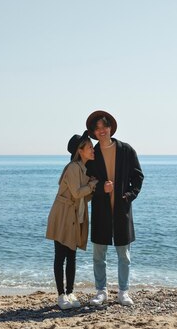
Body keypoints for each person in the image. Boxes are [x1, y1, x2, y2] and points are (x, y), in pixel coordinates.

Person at [85, 110, 144, 306]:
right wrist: (101, 188)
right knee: (98, 255)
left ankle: (123, 292)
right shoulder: (92, 154)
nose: (101, 131)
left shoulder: (126, 150)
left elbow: (138, 177)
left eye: (104, 126)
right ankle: (101, 291)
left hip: (121, 210)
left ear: (110, 127)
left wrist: (129, 196)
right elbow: (87, 182)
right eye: (97, 128)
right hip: (101, 210)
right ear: (94, 132)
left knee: (124, 255)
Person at [46, 130, 98, 310]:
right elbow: (77, 193)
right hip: (63, 214)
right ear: (80, 150)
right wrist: (92, 185)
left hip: (75, 214)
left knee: (72, 256)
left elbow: (83, 196)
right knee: (61, 255)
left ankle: (70, 292)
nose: (93, 150)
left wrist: (91, 187)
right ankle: (61, 295)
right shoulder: (73, 168)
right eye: (90, 147)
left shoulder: (83, 168)